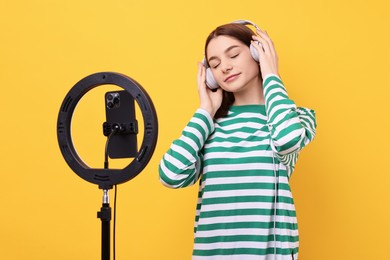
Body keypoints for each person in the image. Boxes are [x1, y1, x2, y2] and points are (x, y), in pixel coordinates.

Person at [159, 20, 317, 260]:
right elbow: (171, 175)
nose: (225, 67)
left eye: (233, 55)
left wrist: (271, 74)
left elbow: (287, 140)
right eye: (215, 64)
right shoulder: (208, 126)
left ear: (257, 52)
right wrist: (205, 111)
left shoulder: (295, 117)